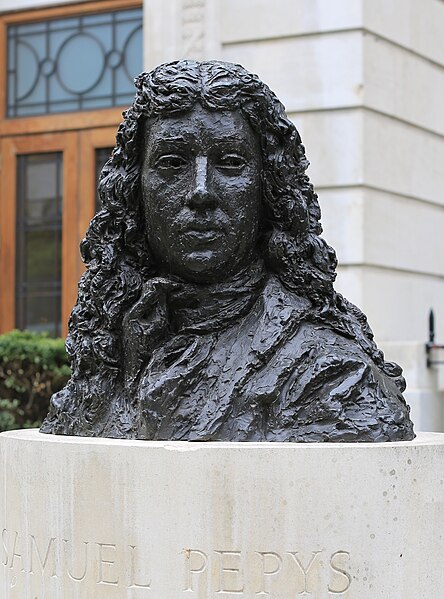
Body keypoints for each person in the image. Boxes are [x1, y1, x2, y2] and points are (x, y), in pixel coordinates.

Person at [41, 60, 414, 442]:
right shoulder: (109, 348)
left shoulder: (332, 373)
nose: (200, 191)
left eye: (231, 162)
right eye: (172, 163)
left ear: (267, 189)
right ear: (135, 189)